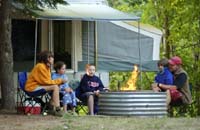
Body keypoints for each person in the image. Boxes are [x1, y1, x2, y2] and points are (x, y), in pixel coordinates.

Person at [25, 51, 66, 116]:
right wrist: (60, 81)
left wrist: (59, 83)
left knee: (55, 87)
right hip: (32, 88)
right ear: (47, 58)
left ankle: (51, 108)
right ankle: (58, 110)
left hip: (38, 86)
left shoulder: (47, 67)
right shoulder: (40, 66)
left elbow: (47, 81)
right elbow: (46, 82)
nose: (53, 59)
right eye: (51, 57)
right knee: (55, 87)